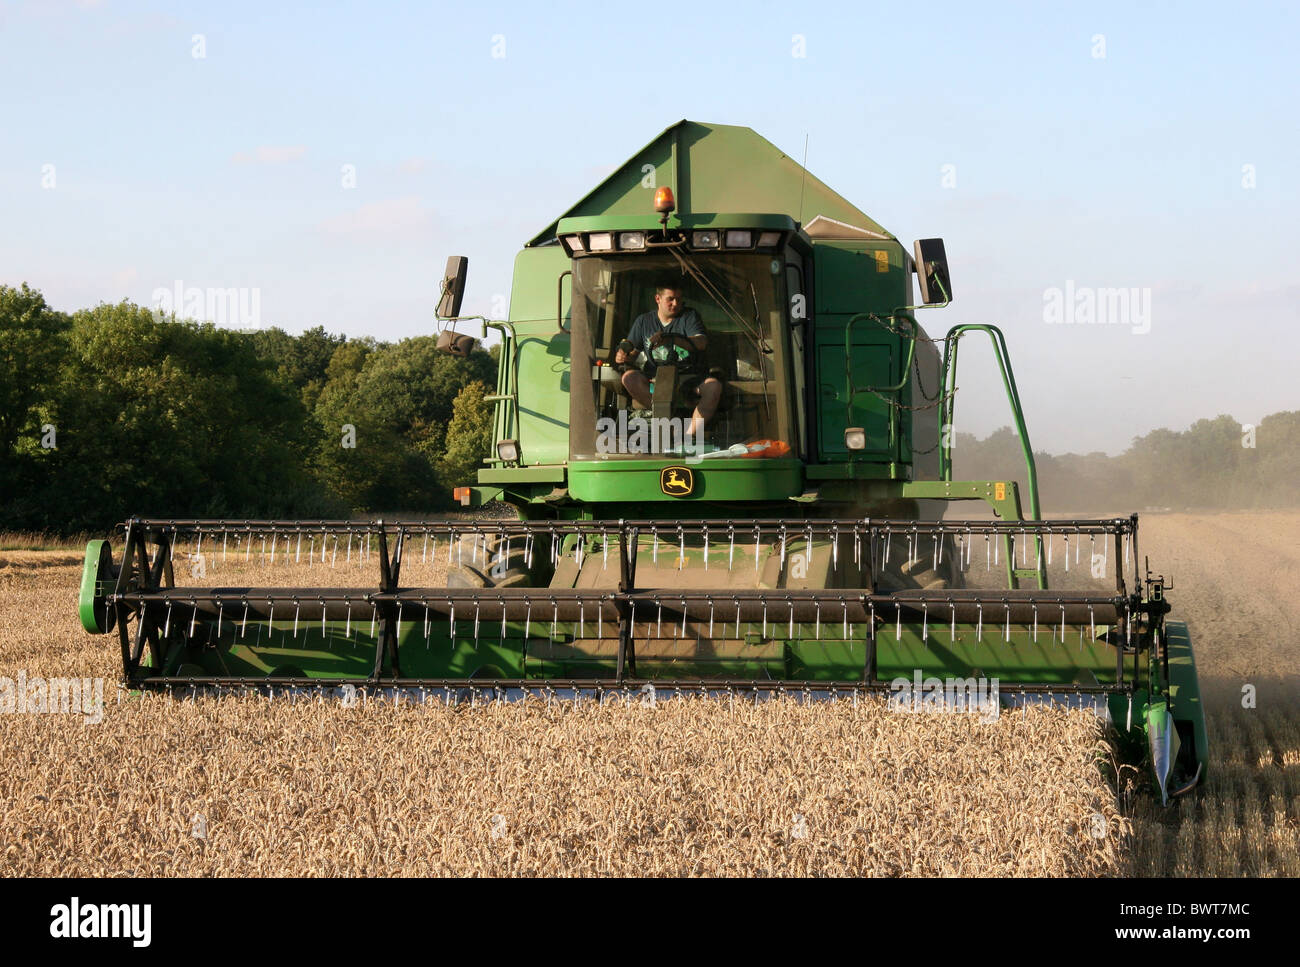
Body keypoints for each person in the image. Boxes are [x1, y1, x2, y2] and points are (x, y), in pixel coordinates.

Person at [614, 283, 722, 441]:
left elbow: (701, 342)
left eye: (678, 299)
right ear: (658, 298)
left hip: (689, 379)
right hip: (654, 382)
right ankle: (671, 427)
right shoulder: (643, 321)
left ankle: (688, 436)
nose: (676, 304)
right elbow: (632, 351)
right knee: (628, 378)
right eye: (670, 299)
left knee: (714, 387)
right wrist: (623, 356)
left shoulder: (689, 316)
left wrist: (671, 339)